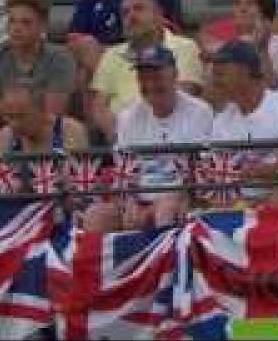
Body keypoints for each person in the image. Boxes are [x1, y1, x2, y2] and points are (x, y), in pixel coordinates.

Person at [84, 46, 210, 232]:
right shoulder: (128, 117)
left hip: (180, 198)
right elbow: (124, 170)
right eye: (143, 78)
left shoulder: (200, 112)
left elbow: (202, 171)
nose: (150, 84)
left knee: (165, 209)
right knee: (95, 216)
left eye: (157, 77)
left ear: (175, 75)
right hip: (139, 197)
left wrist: (164, 203)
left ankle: (165, 260)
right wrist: (129, 200)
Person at [89, 0, 205, 141]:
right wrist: (122, 136)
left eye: (139, 9)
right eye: (125, 13)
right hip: (124, 137)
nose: (131, 16)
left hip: (174, 135)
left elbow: (181, 96)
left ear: (159, 14)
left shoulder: (185, 47)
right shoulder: (111, 54)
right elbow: (99, 107)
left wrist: (143, 128)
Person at [210, 40, 278, 202]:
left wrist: (253, 172)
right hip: (239, 204)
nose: (215, 82)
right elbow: (215, 172)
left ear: (244, 71)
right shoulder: (221, 120)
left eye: (221, 74)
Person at [0, 0, 76, 120]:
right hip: (6, 132)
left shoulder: (59, 58)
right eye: (12, 21)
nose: (16, 28)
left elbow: (53, 113)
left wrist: (7, 108)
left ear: (42, 26)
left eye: (26, 22)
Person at [199, 0, 278, 92]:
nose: (242, 9)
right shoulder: (225, 48)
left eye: (250, 4)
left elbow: (275, 89)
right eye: (238, 3)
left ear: (265, 9)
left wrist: (262, 51)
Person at [0, 83, 89, 154]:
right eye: (9, 117)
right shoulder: (7, 136)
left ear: (42, 112)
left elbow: (77, 174)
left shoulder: (70, 130)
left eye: (21, 116)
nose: (14, 124)